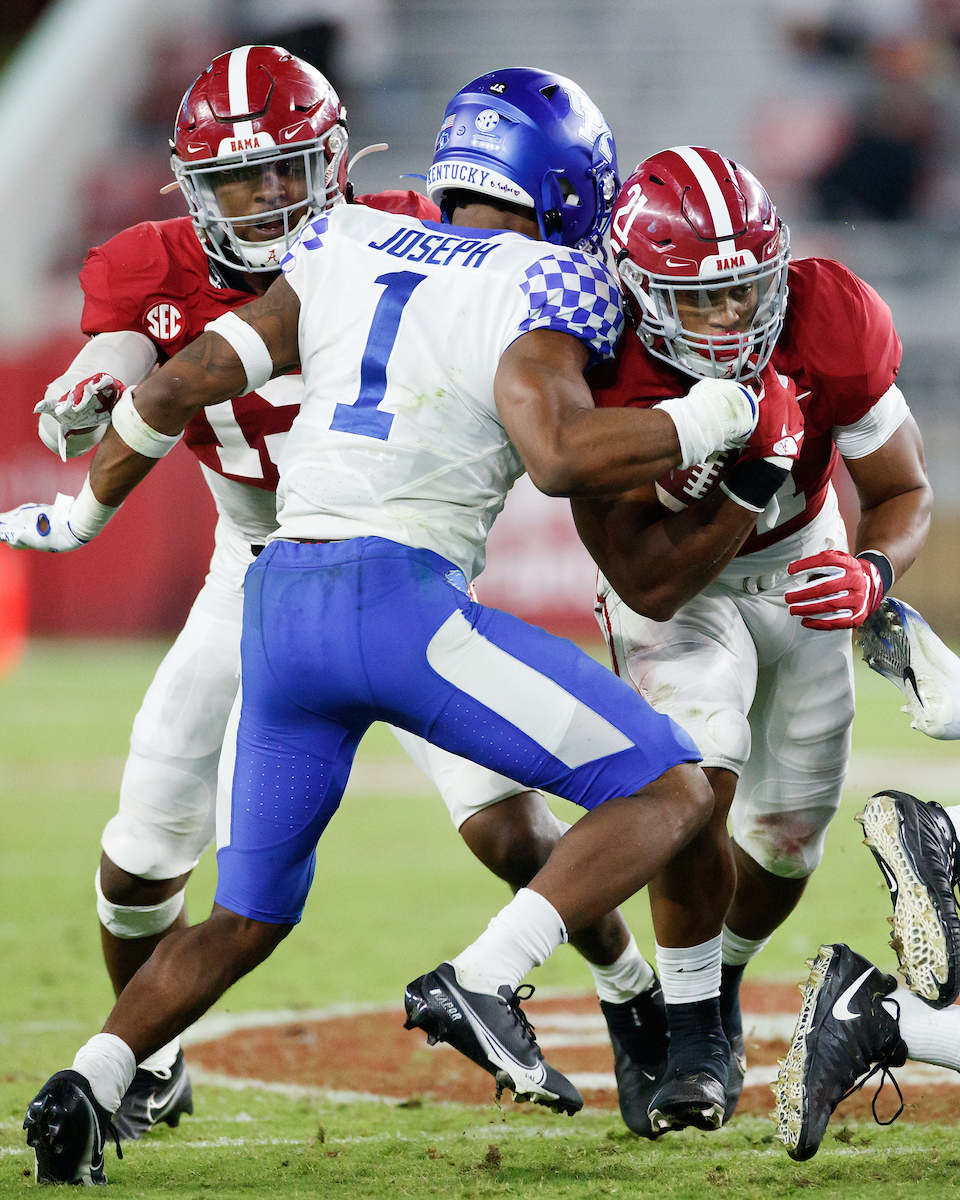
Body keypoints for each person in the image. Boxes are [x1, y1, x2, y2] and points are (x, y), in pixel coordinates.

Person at [7, 68, 782, 1184]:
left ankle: (90, 1076)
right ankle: (485, 975)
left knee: (242, 918)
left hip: (282, 606)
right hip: (397, 604)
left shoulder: (338, 245)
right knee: (669, 792)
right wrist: (709, 413)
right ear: (570, 185)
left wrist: (80, 513)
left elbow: (178, 387)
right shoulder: (556, 275)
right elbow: (562, 456)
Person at [573, 145, 933, 1132]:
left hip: (803, 553)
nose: (734, 318)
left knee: (789, 834)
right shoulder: (597, 359)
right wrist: (749, 476)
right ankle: (690, 1037)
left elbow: (903, 490)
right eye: (704, 299)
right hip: (671, 582)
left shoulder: (828, 313)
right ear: (641, 292)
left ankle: (717, 981)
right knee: (693, 777)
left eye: (747, 289)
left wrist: (873, 570)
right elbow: (644, 575)